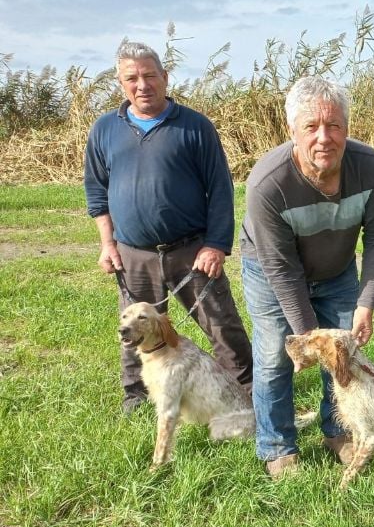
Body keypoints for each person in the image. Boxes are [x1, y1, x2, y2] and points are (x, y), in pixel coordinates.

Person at [84, 40, 253, 415]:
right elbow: (96, 191)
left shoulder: (194, 127)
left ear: (165, 77)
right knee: (134, 327)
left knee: (222, 325)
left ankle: (247, 388)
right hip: (133, 253)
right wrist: (107, 243)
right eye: (132, 78)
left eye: (149, 76)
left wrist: (215, 245)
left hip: (191, 251)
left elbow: (221, 189)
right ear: (120, 83)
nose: (142, 85)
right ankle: (137, 395)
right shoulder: (105, 130)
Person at [241, 76, 374, 477]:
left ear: (347, 127)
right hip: (271, 271)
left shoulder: (371, 168)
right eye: (311, 127)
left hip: (337, 268)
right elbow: (281, 268)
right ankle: (277, 445)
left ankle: (336, 429)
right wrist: (311, 336)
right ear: (292, 130)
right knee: (277, 354)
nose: (324, 137)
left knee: (345, 351)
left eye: (334, 126)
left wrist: (367, 303)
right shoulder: (267, 182)